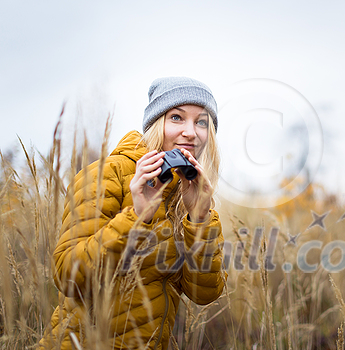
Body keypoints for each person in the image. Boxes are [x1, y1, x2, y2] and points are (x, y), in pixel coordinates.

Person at [39, 77, 227, 349]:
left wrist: (199, 218)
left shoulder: (187, 192)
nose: (191, 132)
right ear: (155, 124)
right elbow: (69, 276)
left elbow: (203, 292)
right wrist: (137, 217)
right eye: (176, 118)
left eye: (201, 122)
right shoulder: (106, 174)